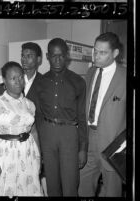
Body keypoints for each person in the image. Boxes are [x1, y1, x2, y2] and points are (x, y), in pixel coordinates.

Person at [0, 61, 43, 196]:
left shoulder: (30, 105)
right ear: (4, 81)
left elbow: (33, 132)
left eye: (21, 77)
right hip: (4, 156)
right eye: (13, 78)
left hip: (27, 154)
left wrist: (38, 157)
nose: (18, 81)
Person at [36, 38, 88, 196]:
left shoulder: (78, 81)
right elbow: (38, 115)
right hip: (47, 133)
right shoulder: (41, 82)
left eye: (61, 56)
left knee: (70, 183)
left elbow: (81, 116)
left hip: (69, 134)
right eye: (53, 55)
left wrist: (83, 148)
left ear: (67, 56)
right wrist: (38, 146)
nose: (57, 60)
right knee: (51, 183)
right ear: (47, 56)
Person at [78, 32, 126, 197]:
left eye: (102, 53)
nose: (96, 56)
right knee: (83, 186)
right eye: (95, 51)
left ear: (115, 53)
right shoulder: (91, 72)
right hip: (88, 140)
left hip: (113, 144)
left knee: (112, 191)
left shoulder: (125, 77)